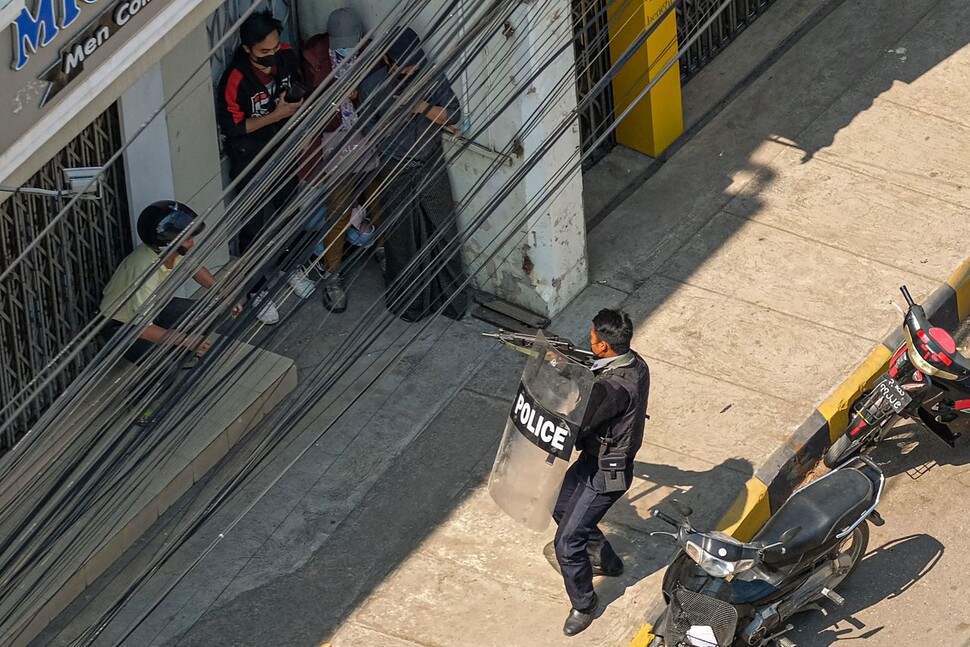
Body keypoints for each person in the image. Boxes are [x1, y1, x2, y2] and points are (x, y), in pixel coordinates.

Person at [549, 309, 650, 636]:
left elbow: (580, 421)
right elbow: (593, 376)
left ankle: (584, 604)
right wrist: (566, 363)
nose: (588, 339)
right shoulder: (634, 364)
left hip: (606, 471)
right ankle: (605, 559)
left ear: (604, 346)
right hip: (599, 461)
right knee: (559, 505)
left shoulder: (613, 389)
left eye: (592, 337)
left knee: (566, 542)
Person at [358, 26, 467, 322]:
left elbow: (453, 116)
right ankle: (411, 303)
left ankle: (451, 300)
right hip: (395, 167)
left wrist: (421, 107)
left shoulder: (430, 76)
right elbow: (367, 131)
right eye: (404, 67)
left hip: (430, 160)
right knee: (402, 237)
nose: (411, 71)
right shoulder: (373, 86)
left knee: (442, 229)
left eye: (414, 65)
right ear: (389, 62)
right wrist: (394, 119)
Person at [216, 10, 313, 323]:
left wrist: (296, 118)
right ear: (247, 49)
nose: (271, 56)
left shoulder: (285, 55)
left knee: (289, 213)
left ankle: (291, 268)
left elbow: (297, 87)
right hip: (251, 158)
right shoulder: (234, 79)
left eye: (274, 48)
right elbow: (232, 128)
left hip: (283, 149)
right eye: (263, 53)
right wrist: (278, 114)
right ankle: (257, 289)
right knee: (254, 226)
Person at [296, 7, 381, 312]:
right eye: (340, 45)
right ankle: (333, 276)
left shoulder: (372, 56)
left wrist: (363, 96)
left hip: (369, 135)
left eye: (350, 44)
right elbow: (311, 103)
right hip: (335, 140)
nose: (345, 50)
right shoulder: (316, 60)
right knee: (339, 207)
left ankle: (383, 253)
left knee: (378, 198)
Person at [100, 201, 243, 364]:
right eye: (188, 239)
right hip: (124, 327)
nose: (192, 243)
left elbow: (195, 268)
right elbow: (141, 328)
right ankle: (168, 365)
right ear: (168, 243)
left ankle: (182, 351)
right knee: (165, 366)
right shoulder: (144, 271)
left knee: (210, 312)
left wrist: (224, 294)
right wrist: (186, 340)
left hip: (157, 308)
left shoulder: (172, 251)